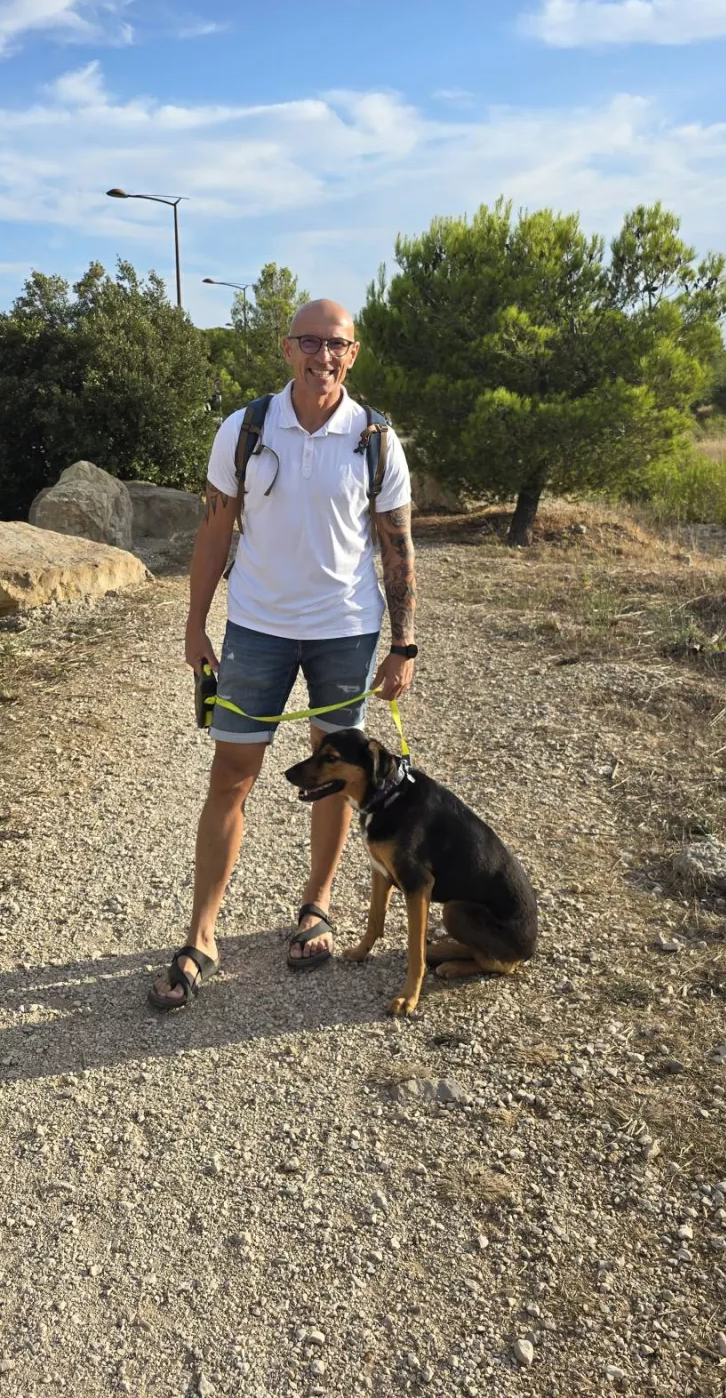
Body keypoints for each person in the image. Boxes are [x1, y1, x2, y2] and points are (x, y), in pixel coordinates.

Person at [149, 298, 417, 1010]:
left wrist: (403, 643)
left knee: (335, 773)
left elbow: (397, 547)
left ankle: (316, 904)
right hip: (256, 628)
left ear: (352, 353)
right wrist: (195, 623)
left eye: (336, 344)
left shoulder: (376, 439)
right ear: (287, 348)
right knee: (230, 776)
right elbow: (215, 531)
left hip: (345, 630)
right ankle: (202, 934)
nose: (323, 355)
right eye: (310, 341)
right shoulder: (245, 429)